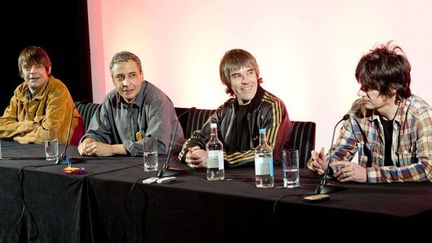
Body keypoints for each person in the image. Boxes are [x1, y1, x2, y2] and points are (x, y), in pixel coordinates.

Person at [307, 42, 432, 183]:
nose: (359, 93)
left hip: (410, 200)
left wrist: (369, 174)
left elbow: (428, 170)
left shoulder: (421, 116)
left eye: (367, 88)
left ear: (392, 89)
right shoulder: (359, 111)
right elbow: (341, 153)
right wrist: (325, 164)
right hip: (370, 198)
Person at [178, 49, 292, 168]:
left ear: (256, 75)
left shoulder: (273, 106)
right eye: (237, 76)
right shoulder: (225, 109)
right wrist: (190, 155)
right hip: (228, 179)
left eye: (250, 72)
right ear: (228, 82)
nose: (246, 81)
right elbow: (198, 138)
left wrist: (215, 159)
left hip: (266, 180)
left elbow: (267, 153)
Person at [78, 51, 184, 156]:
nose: (126, 83)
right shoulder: (111, 99)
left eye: (132, 75)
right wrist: (89, 142)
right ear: (113, 80)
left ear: (141, 75)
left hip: (167, 163)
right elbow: (96, 132)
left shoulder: (157, 100)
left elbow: (157, 145)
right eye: (120, 77)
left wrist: (112, 149)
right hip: (130, 162)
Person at [0, 46, 83, 145]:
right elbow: (2, 126)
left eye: (38, 66)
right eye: (27, 67)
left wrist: (17, 138)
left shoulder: (58, 90)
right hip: (29, 151)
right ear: (21, 72)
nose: (32, 71)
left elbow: (50, 136)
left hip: (65, 154)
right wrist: (31, 126)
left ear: (48, 69)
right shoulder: (20, 91)